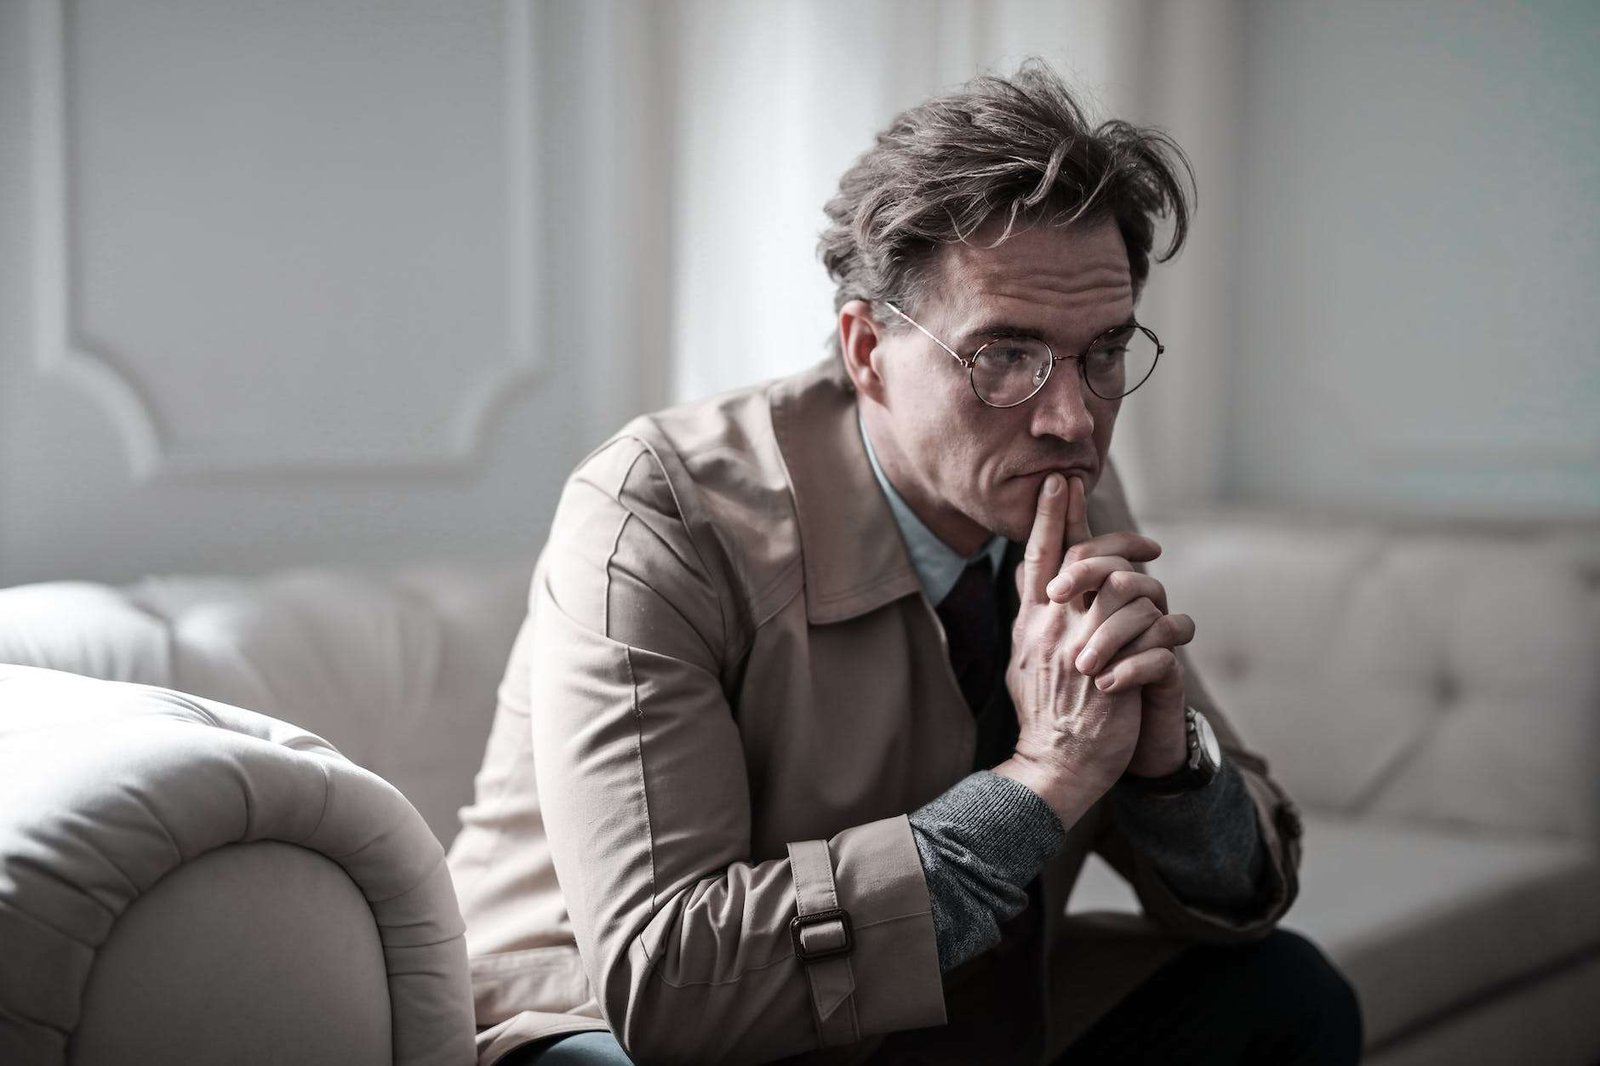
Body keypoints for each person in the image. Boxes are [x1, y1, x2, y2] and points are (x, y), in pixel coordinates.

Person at [446, 60, 1363, 1066]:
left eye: (1104, 352)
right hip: (605, 1023)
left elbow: (1245, 893)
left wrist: (1167, 761)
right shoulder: (656, 511)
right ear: (865, 347)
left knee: (1283, 994)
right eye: (1003, 355)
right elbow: (672, 980)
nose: (1072, 417)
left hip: (927, 1009)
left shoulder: (1062, 480)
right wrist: (1043, 780)